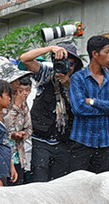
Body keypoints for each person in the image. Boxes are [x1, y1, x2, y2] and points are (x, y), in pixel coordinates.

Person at [67, 35, 109, 173]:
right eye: (107, 52)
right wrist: (107, 110)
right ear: (95, 54)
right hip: (81, 141)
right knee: (79, 185)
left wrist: (94, 102)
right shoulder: (78, 78)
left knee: (100, 186)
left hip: (105, 142)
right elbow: (79, 108)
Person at [18, 43, 77, 182]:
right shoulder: (47, 74)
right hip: (41, 140)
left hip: (64, 141)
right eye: (62, 62)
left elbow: (80, 108)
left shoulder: (78, 82)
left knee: (59, 184)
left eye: (71, 64)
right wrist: (51, 48)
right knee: (40, 183)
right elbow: (25, 59)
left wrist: (69, 86)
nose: (66, 67)